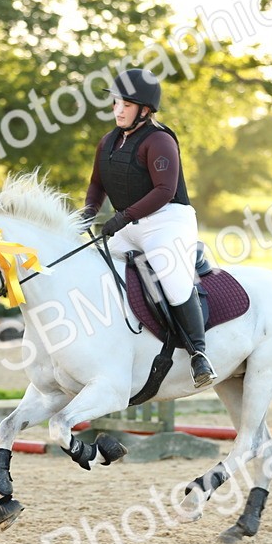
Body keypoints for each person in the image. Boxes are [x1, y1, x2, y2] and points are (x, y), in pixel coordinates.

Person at [81, 67, 216, 387]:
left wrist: (122, 217)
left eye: (125, 104)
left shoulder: (158, 141)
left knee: (172, 281)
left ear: (144, 109)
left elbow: (164, 191)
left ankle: (199, 354)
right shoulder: (108, 142)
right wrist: (85, 216)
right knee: (93, 269)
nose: (118, 110)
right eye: (116, 103)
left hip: (167, 220)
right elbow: (96, 185)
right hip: (127, 223)